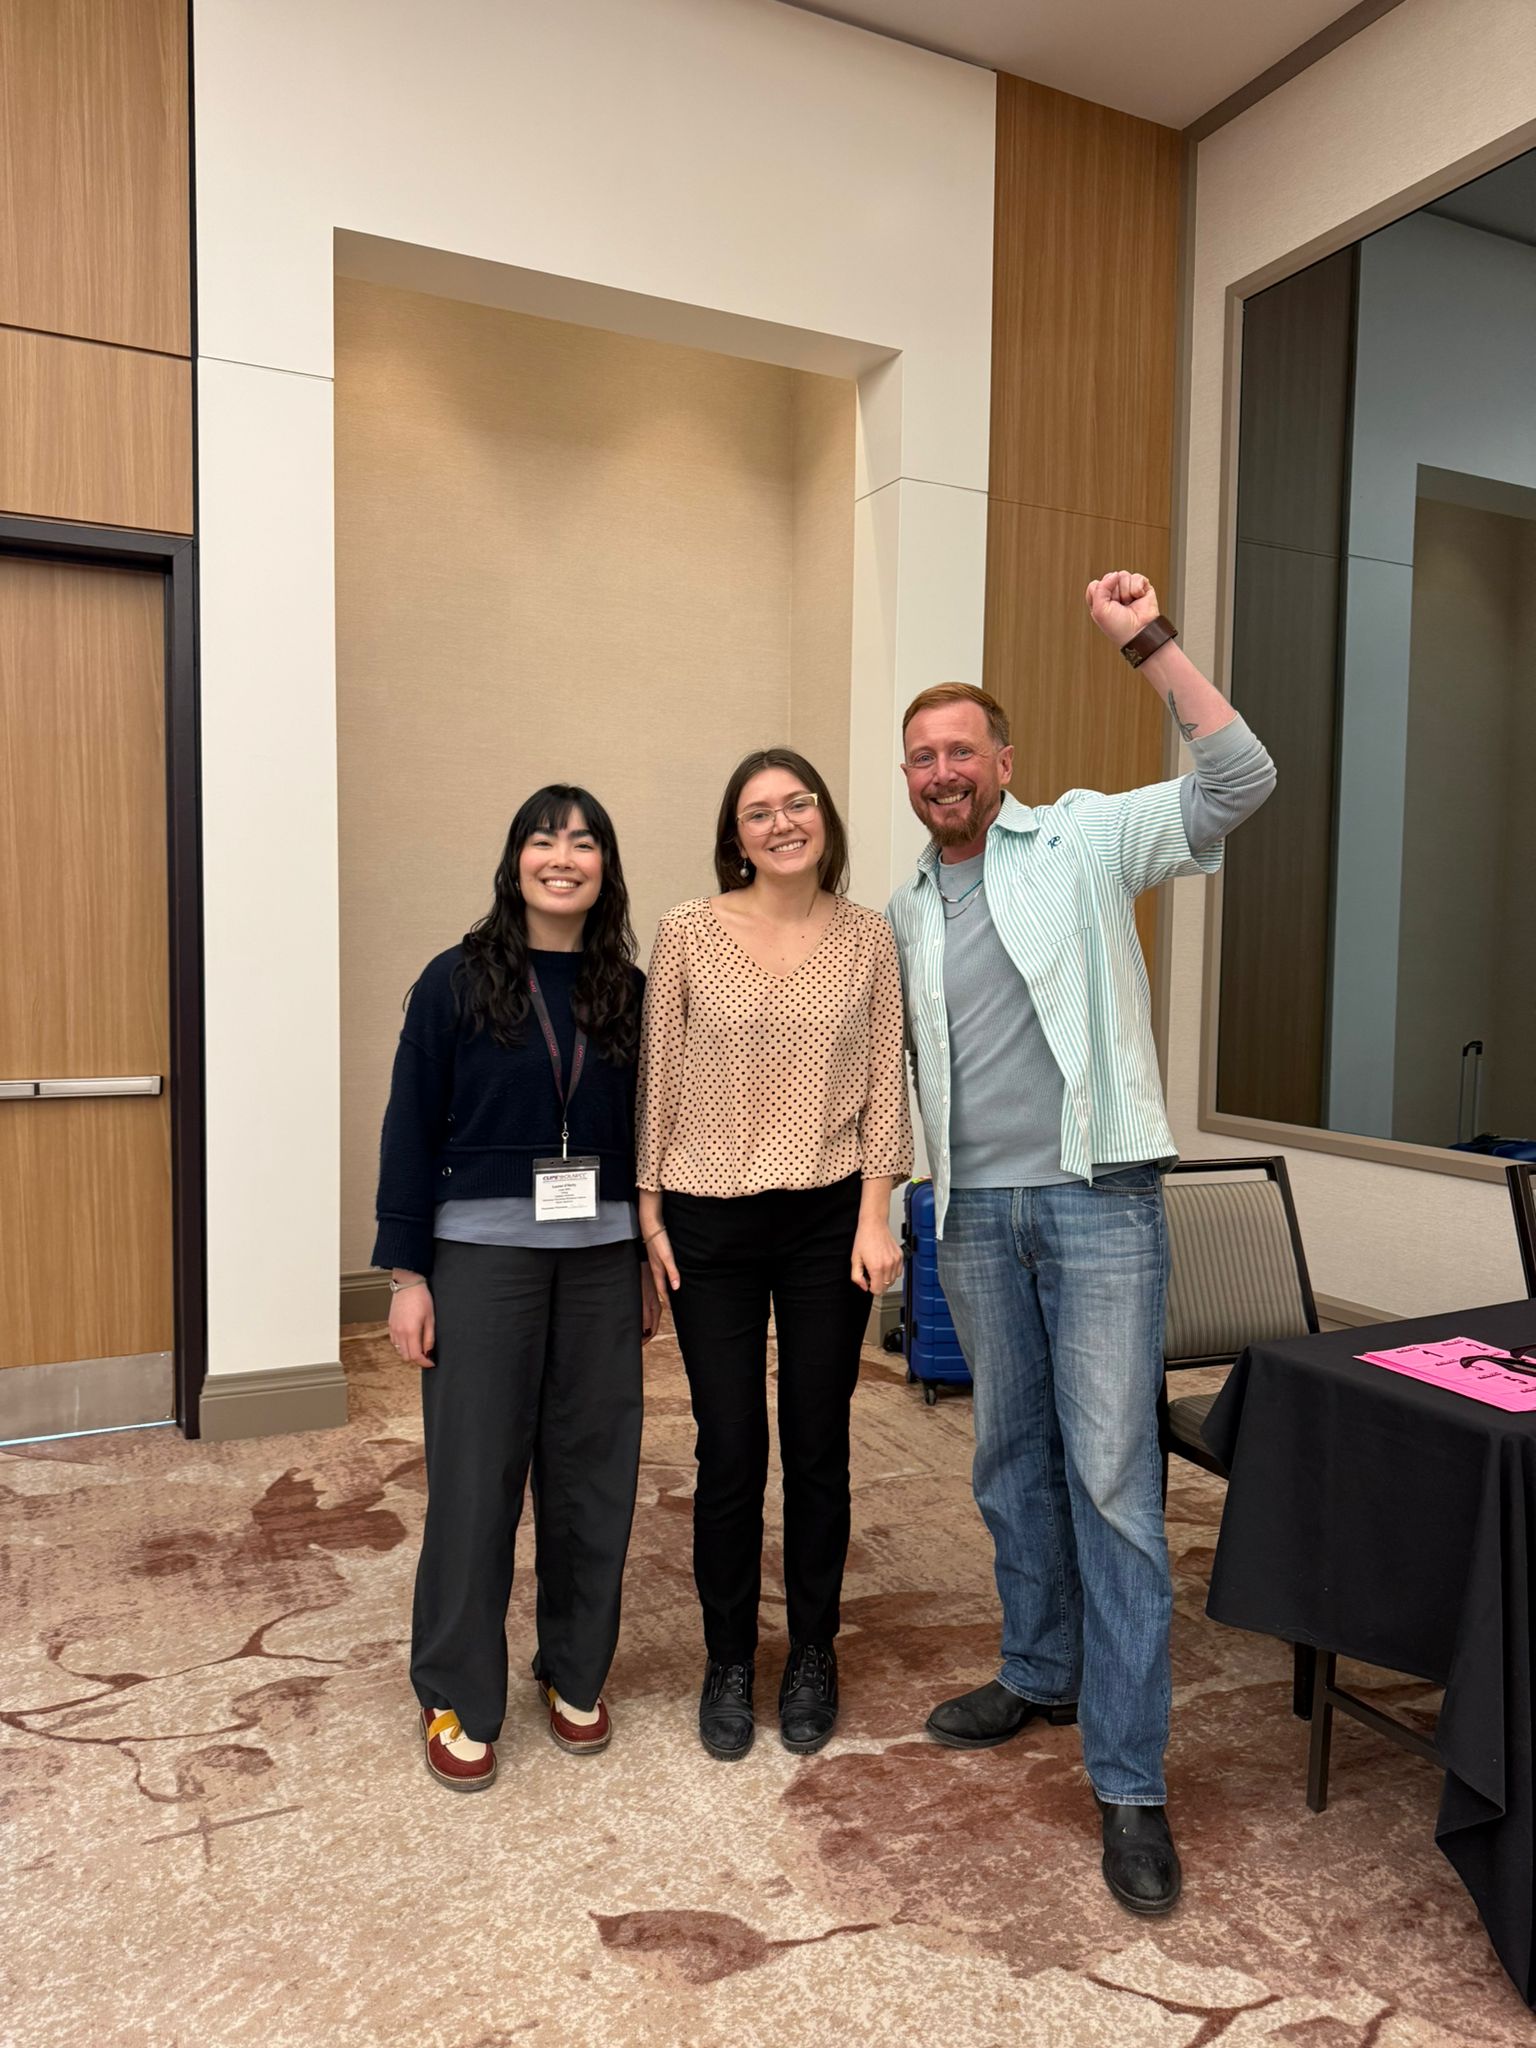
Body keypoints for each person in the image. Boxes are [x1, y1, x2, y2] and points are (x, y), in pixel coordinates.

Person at [887, 573, 1276, 1913]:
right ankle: (1040, 1670)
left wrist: (1148, 644)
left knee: (1112, 1483)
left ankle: (1129, 1779)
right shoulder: (905, 907)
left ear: (1005, 762)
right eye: (922, 757)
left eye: (962, 750)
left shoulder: (1087, 837)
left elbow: (1240, 779)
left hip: (1099, 1203)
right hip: (974, 1216)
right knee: (1010, 1462)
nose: (944, 772)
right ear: (908, 778)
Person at [374, 786, 659, 1792]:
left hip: (600, 1260)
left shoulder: (628, 990)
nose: (562, 857)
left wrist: (642, 1257)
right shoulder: (454, 980)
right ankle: (454, 1687)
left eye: (583, 842)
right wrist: (408, 1274)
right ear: (515, 861)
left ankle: (575, 1668)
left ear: (605, 867)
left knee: (592, 1473)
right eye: (544, 839)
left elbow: (649, 1135)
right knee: (475, 1475)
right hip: (480, 1260)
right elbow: (409, 1128)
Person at [637, 748, 912, 1761]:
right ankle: (726, 1657)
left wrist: (876, 1213)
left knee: (816, 1443)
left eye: (798, 803)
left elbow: (885, 1083)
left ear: (824, 818)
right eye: (759, 811)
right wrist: (650, 1217)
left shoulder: (869, 937)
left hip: (828, 1219)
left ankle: (812, 1652)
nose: (782, 821)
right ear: (736, 835)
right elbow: (658, 1077)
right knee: (729, 1446)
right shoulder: (687, 930)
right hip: (706, 1218)